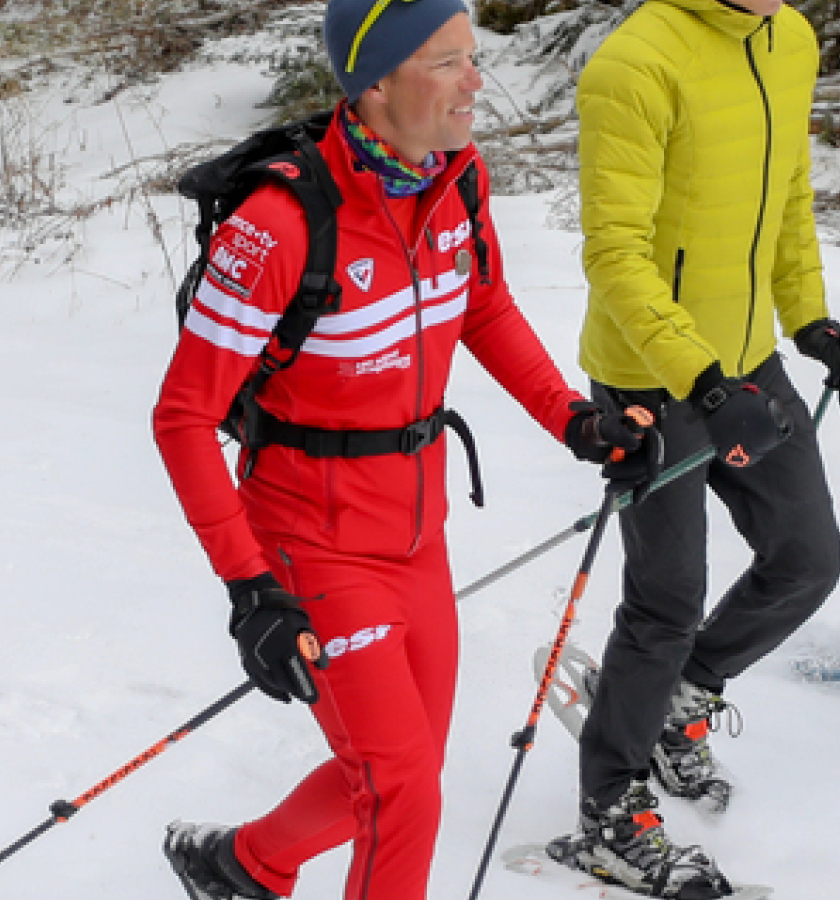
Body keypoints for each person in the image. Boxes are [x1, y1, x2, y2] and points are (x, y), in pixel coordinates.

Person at [149, 2, 656, 899]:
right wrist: (250, 590)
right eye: (448, 63)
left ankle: (245, 864)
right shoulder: (279, 223)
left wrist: (575, 420)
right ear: (374, 81)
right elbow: (184, 417)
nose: (477, 81)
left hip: (417, 530)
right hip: (310, 537)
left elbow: (484, 306)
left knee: (400, 769)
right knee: (405, 795)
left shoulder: (456, 179)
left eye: (474, 58)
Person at [559, 0, 840, 896]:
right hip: (652, 378)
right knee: (665, 598)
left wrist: (809, 318)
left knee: (809, 558)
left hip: (745, 358)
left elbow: (790, 195)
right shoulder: (637, 63)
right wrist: (699, 382)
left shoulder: (789, 39)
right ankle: (608, 814)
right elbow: (615, 254)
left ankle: (680, 699)